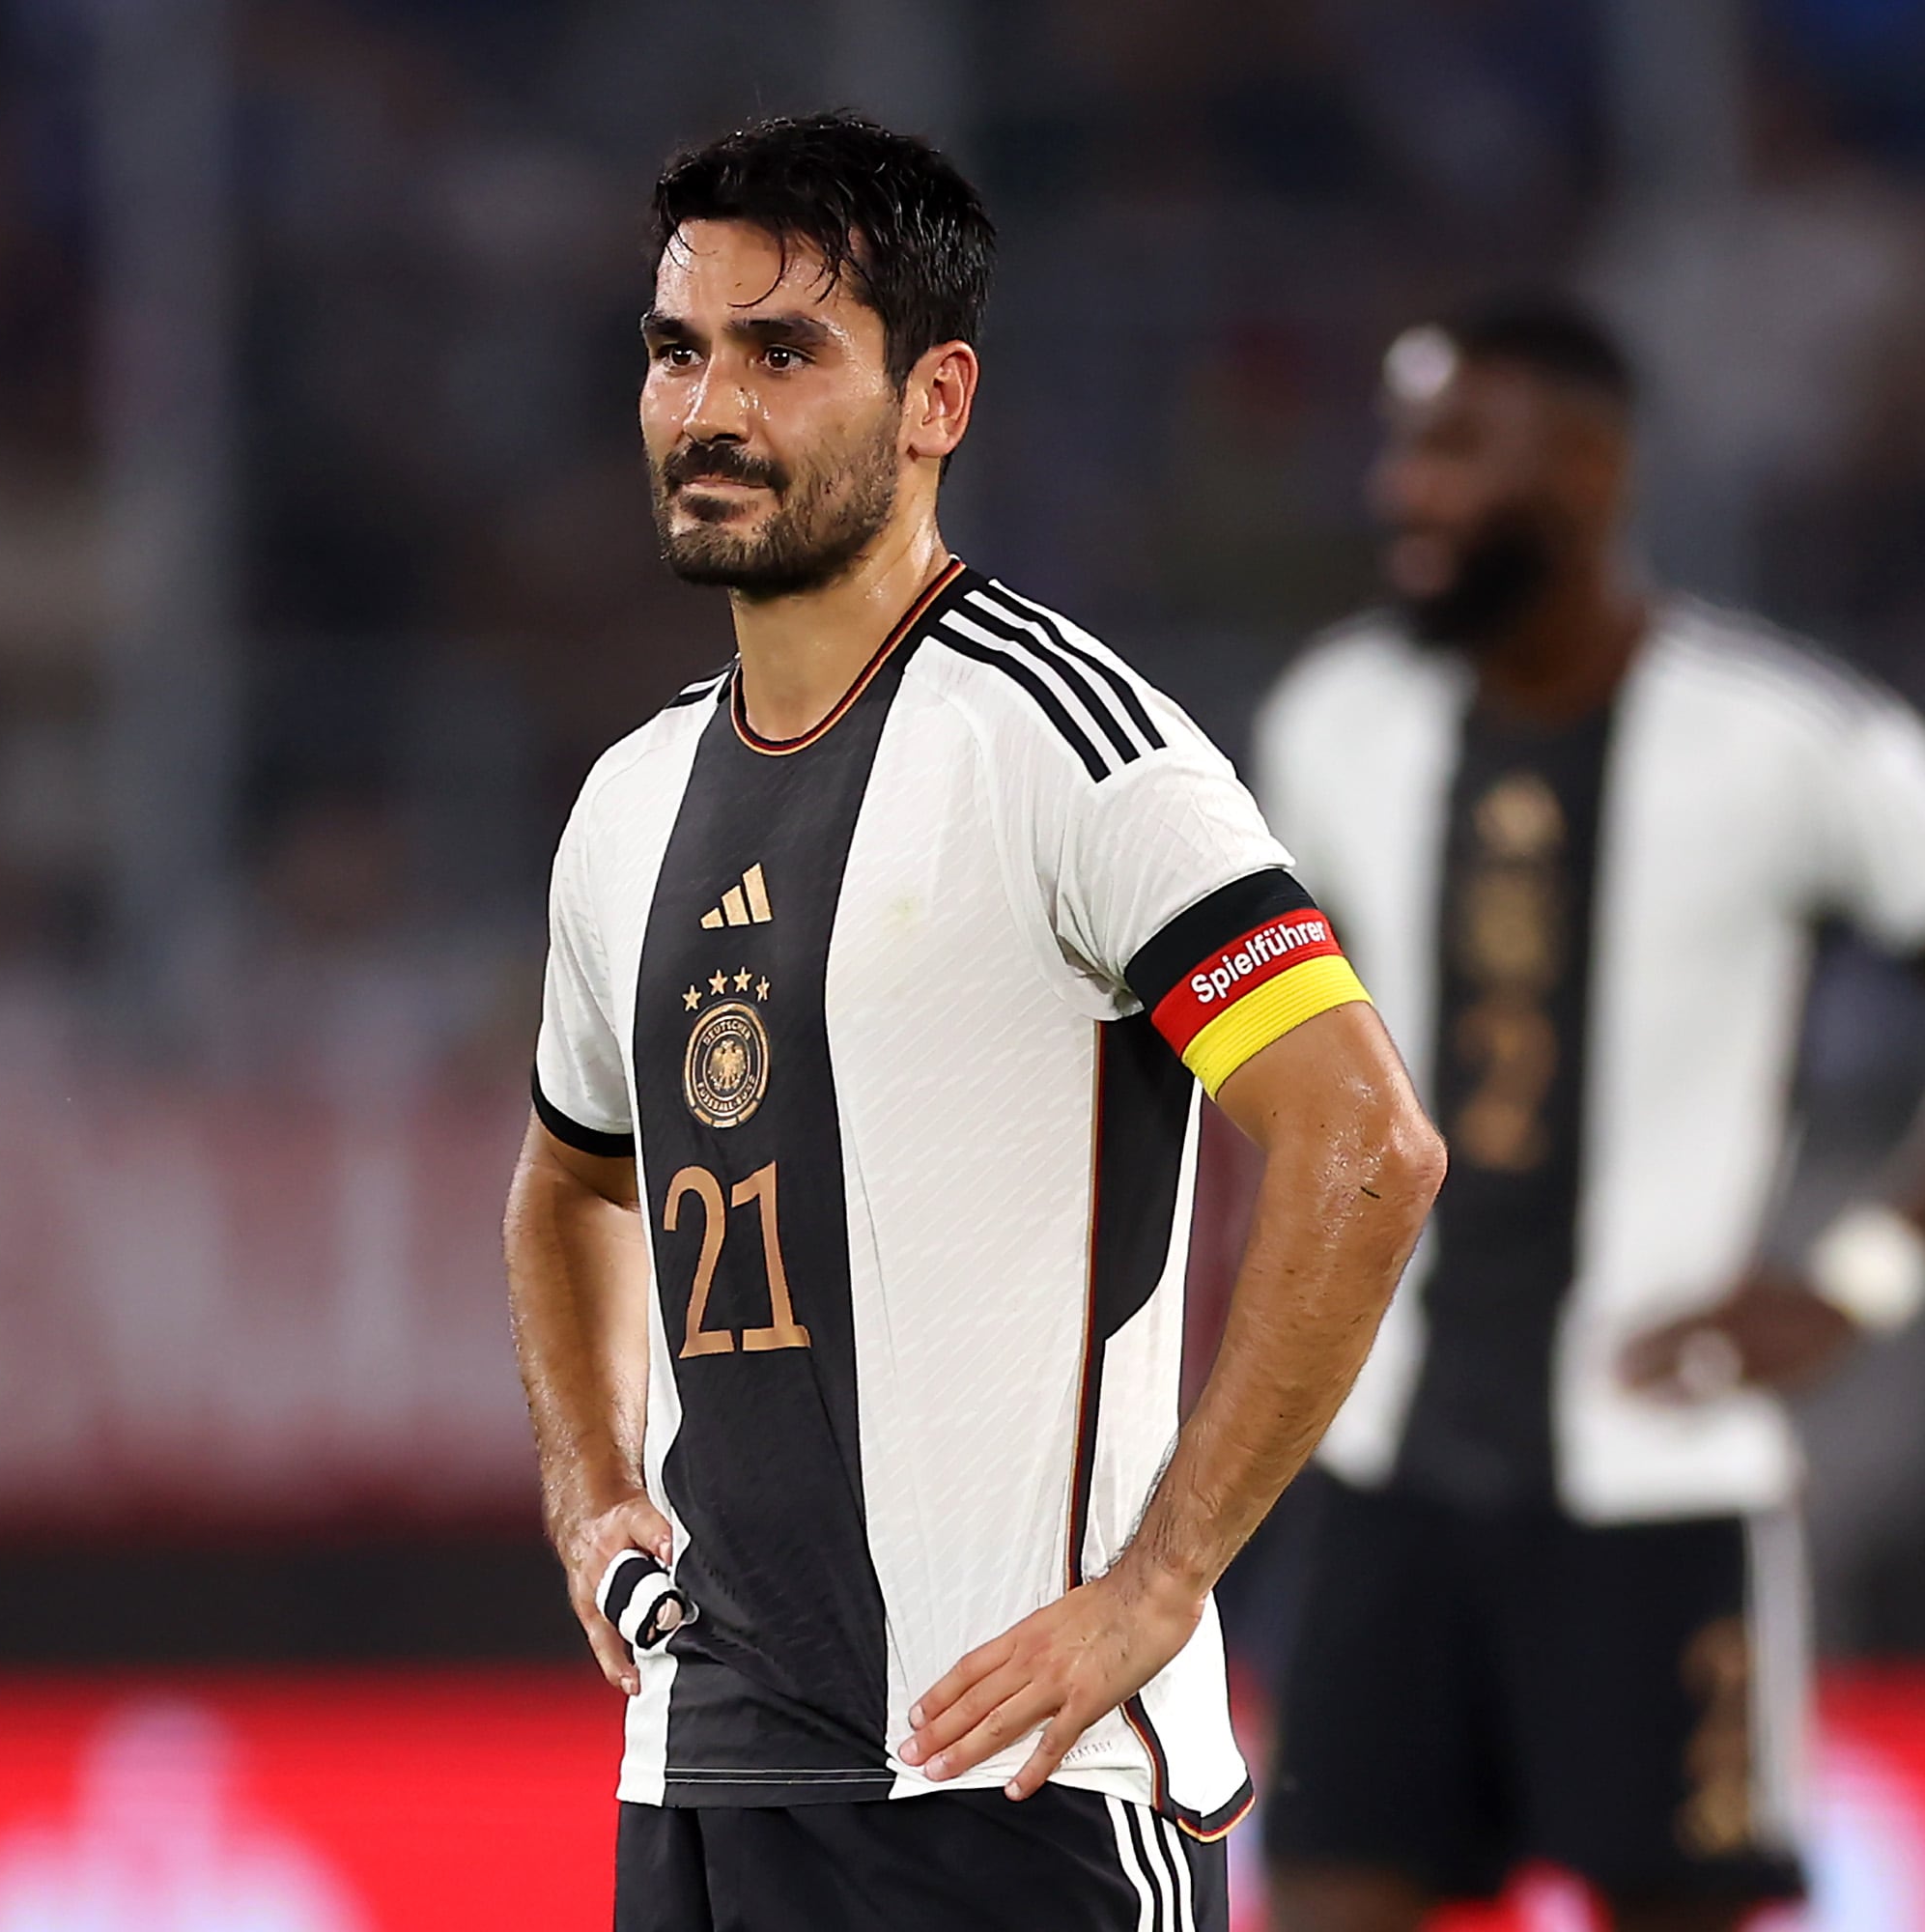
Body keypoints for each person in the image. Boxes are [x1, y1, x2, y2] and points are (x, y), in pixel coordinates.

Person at [501, 113, 1445, 1932]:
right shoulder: (627, 805)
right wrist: (591, 1489)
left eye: (785, 355)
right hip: (703, 1781)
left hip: (1015, 1790)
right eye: (677, 349)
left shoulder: (1069, 743)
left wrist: (1160, 1584)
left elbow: (1367, 1148)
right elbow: (568, 1182)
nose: (712, 407)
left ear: (936, 400)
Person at [1253, 304, 1925, 1932]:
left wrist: (1862, 1280)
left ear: (1590, 470)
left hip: (1657, 1483)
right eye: (1399, 444)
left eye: (1454, 448)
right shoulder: (1335, 720)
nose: (1404, 489)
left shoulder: (1792, 741)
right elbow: (1280, 1073)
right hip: (1384, 1476)